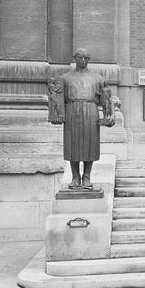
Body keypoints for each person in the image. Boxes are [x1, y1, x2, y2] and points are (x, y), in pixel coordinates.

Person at [48, 48, 115, 190]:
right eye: (80, 57)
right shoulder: (65, 78)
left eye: (86, 58)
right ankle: (75, 177)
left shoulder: (98, 78)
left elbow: (106, 99)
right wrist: (56, 114)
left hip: (91, 111)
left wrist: (108, 116)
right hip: (72, 111)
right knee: (73, 145)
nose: (83, 60)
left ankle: (87, 177)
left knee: (90, 144)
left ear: (89, 59)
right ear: (75, 58)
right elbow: (58, 98)